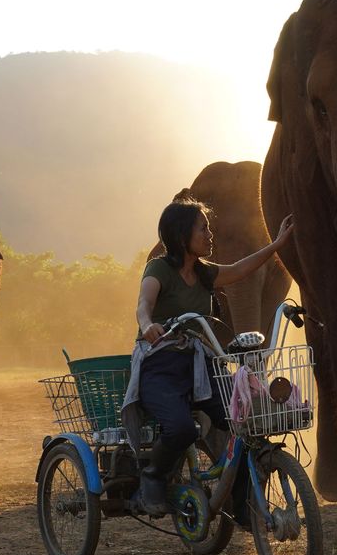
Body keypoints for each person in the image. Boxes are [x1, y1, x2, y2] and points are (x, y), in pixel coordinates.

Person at [122, 198, 294, 515]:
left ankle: (242, 506)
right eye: (204, 228)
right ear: (181, 234)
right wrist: (147, 325)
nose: (210, 234)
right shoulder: (159, 268)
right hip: (160, 367)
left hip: (201, 366)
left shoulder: (205, 274)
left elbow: (242, 268)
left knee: (242, 423)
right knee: (183, 429)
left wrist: (278, 244)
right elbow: (144, 304)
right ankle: (152, 476)